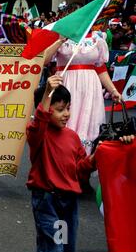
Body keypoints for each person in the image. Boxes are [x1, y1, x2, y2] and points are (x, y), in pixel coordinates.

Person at [27, 75, 134, 252]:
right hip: (47, 200)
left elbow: (79, 170)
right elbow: (39, 121)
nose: (66, 114)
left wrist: (94, 158)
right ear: (46, 109)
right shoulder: (39, 134)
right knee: (53, 250)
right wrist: (47, 93)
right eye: (60, 109)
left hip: (68, 201)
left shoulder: (72, 137)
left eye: (68, 108)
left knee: (67, 247)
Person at [43, 26, 122, 193]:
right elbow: (44, 60)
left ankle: (83, 175)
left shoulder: (97, 38)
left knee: (90, 130)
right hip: (67, 87)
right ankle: (61, 175)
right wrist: (59, 41)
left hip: (91, 90)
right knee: (65, 129)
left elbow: (101, 69)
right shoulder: (62, 35)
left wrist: (113, 90)